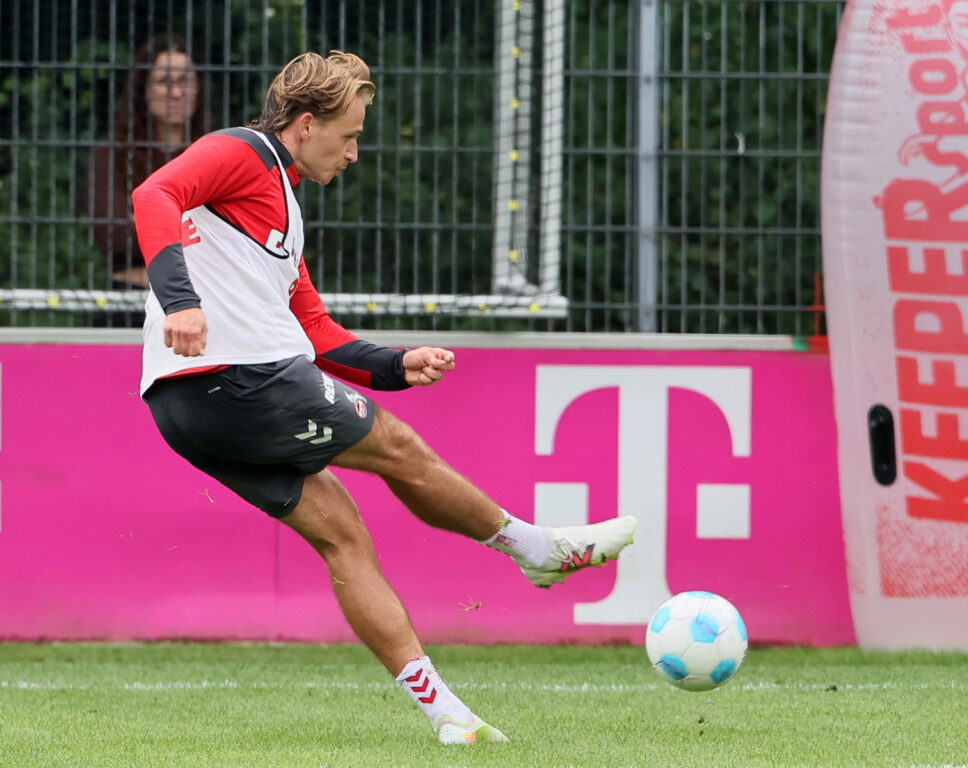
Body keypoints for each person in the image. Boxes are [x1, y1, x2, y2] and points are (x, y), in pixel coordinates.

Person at [131, 50, 638, 745]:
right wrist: (181, 303)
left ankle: (448, 717)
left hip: (186, 408)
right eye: (349, 136)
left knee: (342, 534)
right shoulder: (243, 151)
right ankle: (537, 549)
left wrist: (399, 364)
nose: (356, 153)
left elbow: (314, 329)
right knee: (399, 449)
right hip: (242, 378)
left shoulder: (282, 208)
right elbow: (153, 194)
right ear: (305, 125)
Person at [85, 33, 209, 326]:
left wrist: (143, 220)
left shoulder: (215, 153)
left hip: (201, 302)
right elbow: (112, 237)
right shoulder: (111, 155)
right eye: (165, 82)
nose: (176, 93)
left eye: (185, 81)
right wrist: (188, 230)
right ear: (143, 89)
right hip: (127, 302)